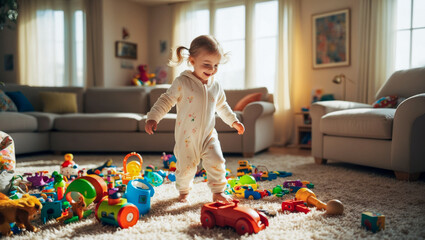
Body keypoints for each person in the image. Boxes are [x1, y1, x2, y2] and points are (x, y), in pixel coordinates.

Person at [145, 35, 245, 203]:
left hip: (208, 135)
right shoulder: (182, 82)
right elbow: (166, 100)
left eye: (216, 65)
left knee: (217, 160)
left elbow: (222, 106)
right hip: (187, 138)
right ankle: (183, 191)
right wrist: (153, 117)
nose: (212, 69)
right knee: (186, 169)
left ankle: (218, 191)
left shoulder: (216, 85)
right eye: (207, 64)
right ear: (192, 60)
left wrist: (233, 121)